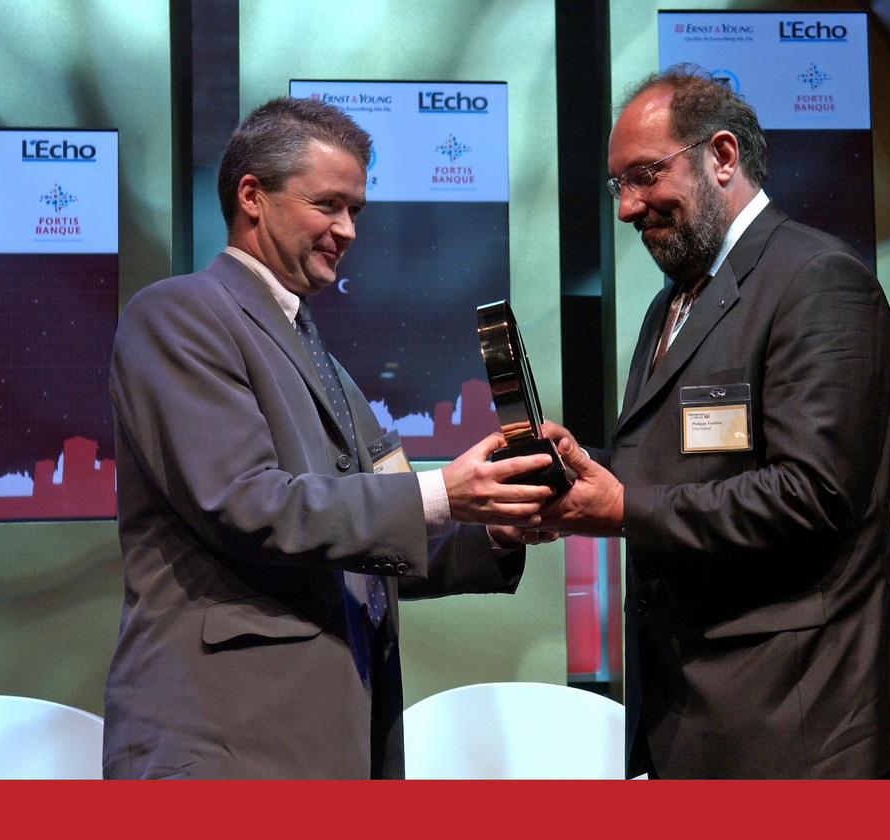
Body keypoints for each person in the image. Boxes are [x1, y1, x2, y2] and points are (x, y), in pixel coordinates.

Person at [102, 97, 556, 779]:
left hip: (327, 739)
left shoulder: (321, 360)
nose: (347, 230)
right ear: (252, 196)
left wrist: (496, 519)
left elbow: (367, 539)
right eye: (327, 205)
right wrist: (440, 493)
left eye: (355, 210)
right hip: (225, 741)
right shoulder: (179, 313)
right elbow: (247, 504)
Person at [537, 65, 890, 778]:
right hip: (699, 713)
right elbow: (683, 466)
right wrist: (587, 469)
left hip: (801, 725)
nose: (627, 207)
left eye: (645, 176)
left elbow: (814, 494)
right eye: (617, 186)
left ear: (721, 157)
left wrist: (625, 506)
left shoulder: (818, 279)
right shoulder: (673, 301)